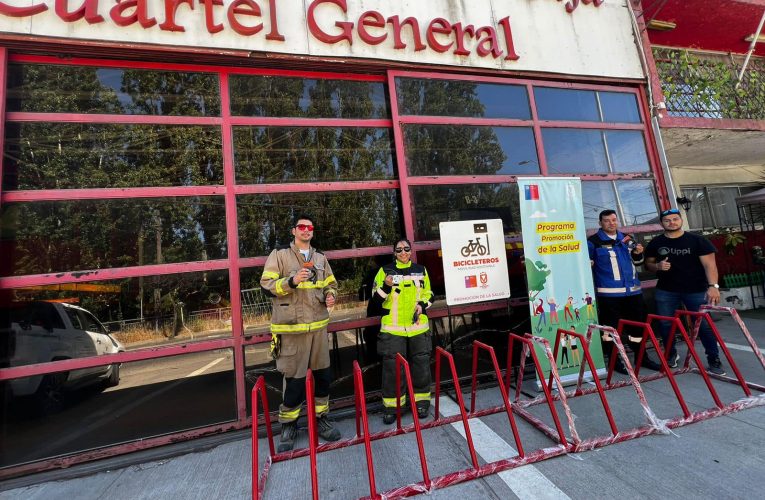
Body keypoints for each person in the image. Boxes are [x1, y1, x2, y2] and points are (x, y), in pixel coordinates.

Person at [260, 215, 341, 452]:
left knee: (323, 379)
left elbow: (332, 283)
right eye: (302, 227)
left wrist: (331, 295)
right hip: (292, 331)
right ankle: (289, 425)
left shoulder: (320, 258)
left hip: (318, 329)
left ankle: (322, 420)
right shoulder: (280, 255)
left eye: (310, 227)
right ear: (293, 230)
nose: (306, 230)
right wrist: (291, 281)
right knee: (294, 382)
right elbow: (266, 284)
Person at [645, 208, 725, 375]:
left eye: (675, 219)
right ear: (662, 223)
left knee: (704, 325)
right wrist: (657, 266)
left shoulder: (697, 241)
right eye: (667, 220)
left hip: (696, 290)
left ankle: (714, 359)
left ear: (681, 220)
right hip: (666, 290)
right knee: (666, 325)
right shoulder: (656, 242)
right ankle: (671, 355)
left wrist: (713, 287)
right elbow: (648, 264)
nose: (671, 222)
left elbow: (710, 265)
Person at [588, 210, 661, 373]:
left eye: (614, 220)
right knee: (610, 330)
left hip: (633, 293)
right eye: (607, 221)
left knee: (638, 328)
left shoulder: (628, 239)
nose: (611, 223)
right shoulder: (593, 242)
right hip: (608, 295)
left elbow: (639, 262)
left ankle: (642, 358)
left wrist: (638, 253)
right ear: (600, 223)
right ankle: (615, 361)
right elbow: (586, 265)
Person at [371, 239, 433, 424]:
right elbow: (375, 301)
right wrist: (386, 286)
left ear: (411, 251)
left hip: (417, 327)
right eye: (399, 250)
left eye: (406, 249)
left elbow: (429, 294)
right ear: (394, 253)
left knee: (421, 365)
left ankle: (421, 403)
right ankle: (392, 407)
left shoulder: (421, 270)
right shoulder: (384, 271)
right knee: (393, 369)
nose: (403, 252)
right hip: (393, 329)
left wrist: (422, 306)